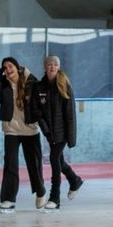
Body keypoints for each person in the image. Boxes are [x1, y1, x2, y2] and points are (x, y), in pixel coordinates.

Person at [0, 57, 46, 213]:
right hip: (11, 130)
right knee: (10, 164)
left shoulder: (31, 81)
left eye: (10, 66)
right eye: (5, 68)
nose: (8, 69)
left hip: (30, 130)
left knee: (34, 164)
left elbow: (41, 102)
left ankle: (40, 192)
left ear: (17, 67)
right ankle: (8, 199)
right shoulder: (3, 84)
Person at [35, 55, 84, 211]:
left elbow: (70, 114)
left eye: (55, 64)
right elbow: (37, 112)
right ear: (45, 67)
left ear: (58, 67)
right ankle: (74, 180)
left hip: (62, 132)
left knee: (54, 158)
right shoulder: (39, 87)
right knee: (59, 161)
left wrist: (71, 138)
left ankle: (55, 198)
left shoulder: (64, 85)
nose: (52, 67)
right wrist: (46, 130)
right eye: (49, 64)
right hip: (50, 133)